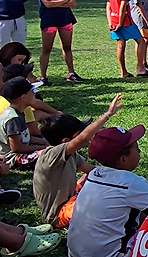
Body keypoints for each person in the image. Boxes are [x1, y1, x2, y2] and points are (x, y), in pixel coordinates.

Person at [67, 126, 148, 257]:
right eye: (137, 149)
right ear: (123, 159)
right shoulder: (131, 183)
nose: (139, 152)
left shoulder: (94, 174)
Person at [33, 95, 122, 229]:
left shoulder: (71, 154)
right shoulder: (51, 155)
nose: (84, 135)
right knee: (101, 205)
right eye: (78, 133)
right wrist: (107, 115)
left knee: (97, 175)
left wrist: (119, 176)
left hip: (72, 196)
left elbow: (92, 170)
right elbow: (83, 138)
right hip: (58, 214)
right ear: (65, 141)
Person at [34, 0, 81, 84]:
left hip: (65, 20)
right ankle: (43, 76)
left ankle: (71, 73)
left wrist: (56, 2)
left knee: (67, 47)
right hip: (49, 21)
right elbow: (47, 4)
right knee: (46, 49)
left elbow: (73, 3)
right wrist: (63, 0)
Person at [0, 78, 49, 170]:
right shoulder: (13, 118)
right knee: (49, 154)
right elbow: (16, 148)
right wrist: (44, 148)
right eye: (32, 91)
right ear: (23, 97)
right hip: (10, 159)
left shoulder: (18, 112)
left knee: (52, 148)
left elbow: (24, 138)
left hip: (20, 153)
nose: (35, 94)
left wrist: (45, 143)